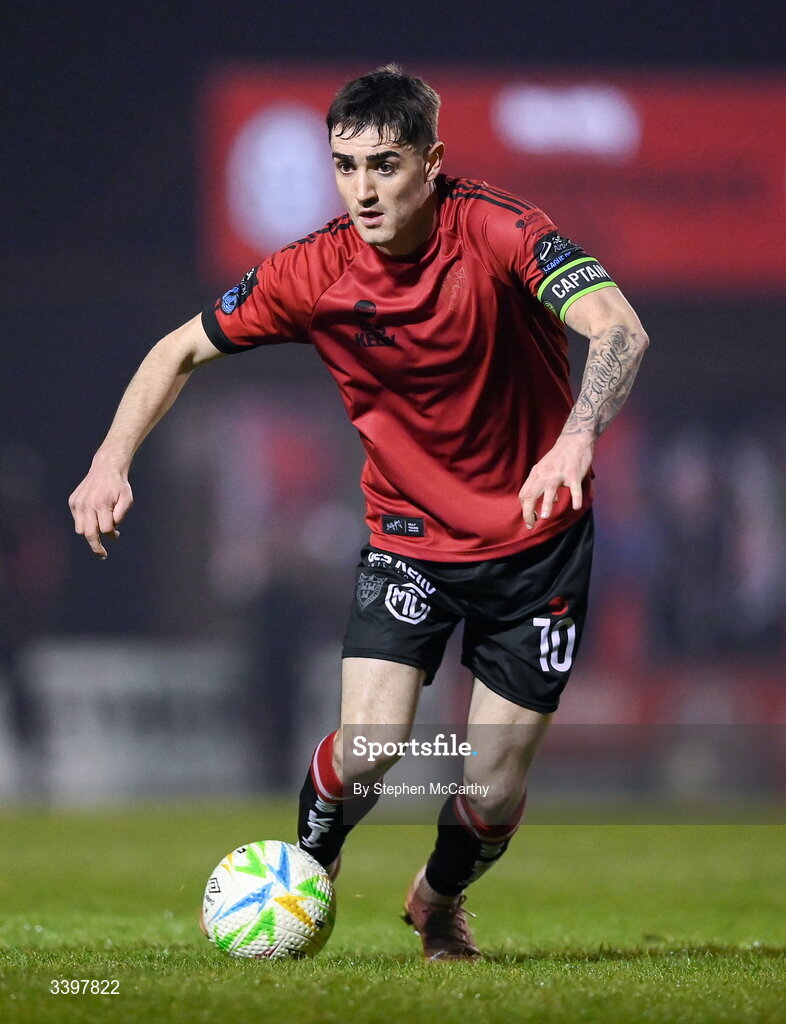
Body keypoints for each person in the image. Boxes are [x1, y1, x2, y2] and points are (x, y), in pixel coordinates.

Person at [69, 64, 649, 961]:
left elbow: (619, 328)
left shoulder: (501, 230)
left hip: (537, 542)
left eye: (385, 164)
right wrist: (110, 461)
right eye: (345, 166)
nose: (363, 189)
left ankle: (437, 901)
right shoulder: (313, 270)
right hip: (409, 537)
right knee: (371, 748)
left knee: (493, 787)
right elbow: (176, 350)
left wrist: (577, 438)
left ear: (432, 162)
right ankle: (307, 865)